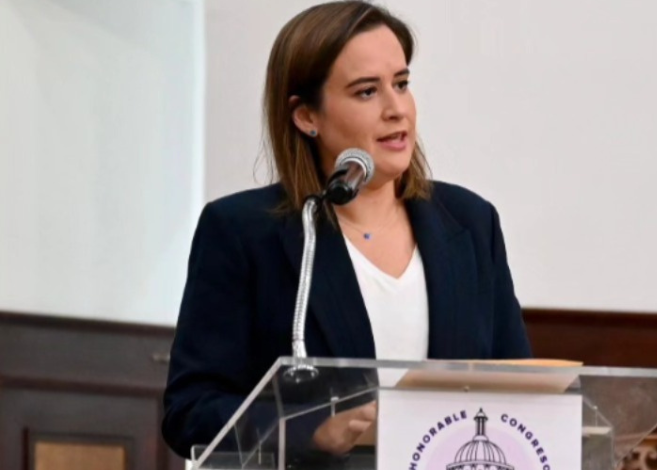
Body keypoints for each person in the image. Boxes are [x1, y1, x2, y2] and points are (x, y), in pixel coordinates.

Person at [162, 0, 532, 462]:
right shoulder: (243, 232)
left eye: (401, 84)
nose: (396, 109)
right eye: (366, 92)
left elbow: (520, 389)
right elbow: (190, 409)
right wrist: (308, 431)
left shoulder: (471, 222)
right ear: (306, 116)